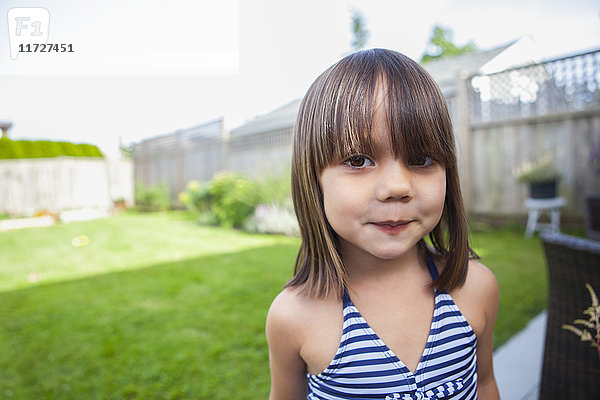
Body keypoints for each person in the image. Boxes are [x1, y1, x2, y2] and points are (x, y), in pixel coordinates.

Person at [266, 48, 500, 400]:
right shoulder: (293, 317)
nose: (397, 187)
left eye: (421, 159)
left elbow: (484, 384)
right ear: (313, 179)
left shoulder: (476, 287)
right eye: (358, 160)